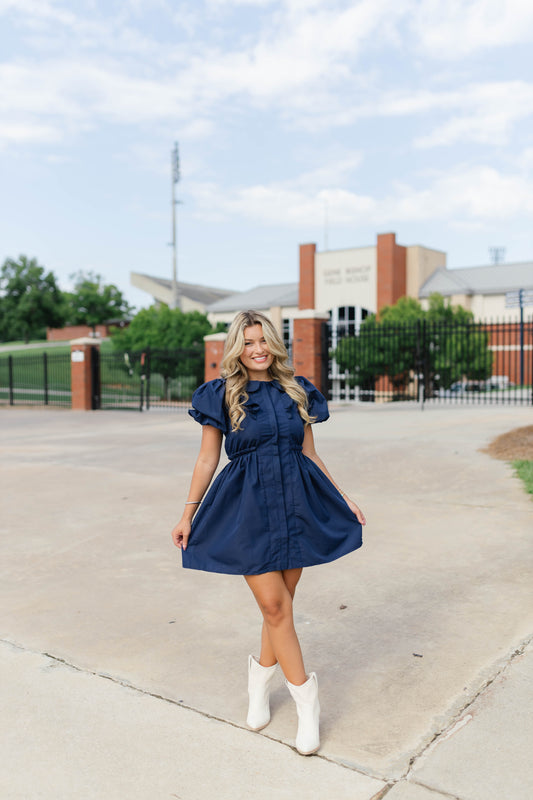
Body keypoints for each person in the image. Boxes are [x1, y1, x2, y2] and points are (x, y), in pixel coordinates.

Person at [171, 310, 366, 755]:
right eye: (248, 342)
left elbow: (311, 454)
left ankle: (259, 683)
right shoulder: (220, 395)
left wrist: (344, 497)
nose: (257, 349)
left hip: (296, 502)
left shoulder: (296, 390)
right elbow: (207, 460)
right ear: (236, 348)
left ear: (274, 344)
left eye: (263, 341)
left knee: (280, 609)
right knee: (274, 604)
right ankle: (307, 705)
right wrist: (187, 514)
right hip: (248, 507)